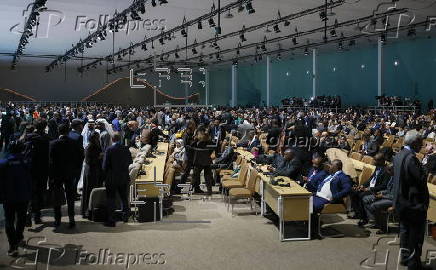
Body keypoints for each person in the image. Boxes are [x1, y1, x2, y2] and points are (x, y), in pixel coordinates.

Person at [393, 130, 429, 269]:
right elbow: (421, 179)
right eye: (420, 142)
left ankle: (405, 258)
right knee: (415, 236)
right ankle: (414, 264)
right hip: (413, 204)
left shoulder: (399, 155)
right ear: (414, 143)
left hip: (401, 202)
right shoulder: (411, 159)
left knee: (405, 232)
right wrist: (425, 164)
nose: (422, 144)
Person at [0, 140, 32, 257]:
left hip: (8, 197)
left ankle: (13, 245)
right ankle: (18, 237)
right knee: (21, 219)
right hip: (23, 196)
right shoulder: (26, 162)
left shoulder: (3, 163)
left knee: (9, 221)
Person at [49, 123, 78, 228]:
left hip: (57, 174)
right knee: (70, 197)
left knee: (57, 197)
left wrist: (51, 175)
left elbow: (50, 161)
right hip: (70, 173)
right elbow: (78, 158)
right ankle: (71, 218)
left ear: (58, 131)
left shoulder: (53, 144)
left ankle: (57, 219)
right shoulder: (73, 143)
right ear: (68, 131)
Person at [102, 132, 133, 227]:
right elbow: (130, 162)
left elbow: (104, 166)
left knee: (111, 198)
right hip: (123, 177)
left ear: (112, 139)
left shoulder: (109, 149)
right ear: (120, 139)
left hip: (112, 178)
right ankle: (125, 216)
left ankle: (111, 220)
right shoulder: (125, 149)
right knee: (123, 197)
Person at [350, 153, 390, 225]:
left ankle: (364, 218)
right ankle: (358, 213)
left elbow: (384, 186)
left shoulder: (387, 171)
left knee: (361, 195)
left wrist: (370, 189)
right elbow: (371, 179)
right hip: (369, 188)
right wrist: (362, 186)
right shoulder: (377, 167)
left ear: (381, 161)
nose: (373, 161)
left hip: (377, 191)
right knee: (353, 192)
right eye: (374, 159)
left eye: (376, 160)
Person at [25, 119, 50, 224]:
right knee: (40, 192)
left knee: (30, 192)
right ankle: (37, 216)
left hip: (29, 169)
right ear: (44, 127)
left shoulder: (27, 137)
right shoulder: (46, 139)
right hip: (43, 169)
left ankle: (27, 213)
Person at [362, 165, 395, 234]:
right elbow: (388, 190)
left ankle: (383, 228)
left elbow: (394, 195)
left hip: (393, 200)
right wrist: (380, 192)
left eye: (389, 170)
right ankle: (375, 220)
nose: (387, 172)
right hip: (386, 195)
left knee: (374, 205)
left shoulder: (398, 180)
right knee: (365, 199)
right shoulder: (392, 177)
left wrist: (382, 196)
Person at [81, 131, 103, 219]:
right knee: (89, 191)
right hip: (91, 171)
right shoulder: (89, 147)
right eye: (97, 138)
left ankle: (92, 210)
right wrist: (99, 157)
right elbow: (89, 161)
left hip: (95, 171)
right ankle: (87, 210)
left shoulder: (96, 146)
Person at [190, 127, 215, 195]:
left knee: (195, 177)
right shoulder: (209, 141)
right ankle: (209, 191)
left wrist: (194, 139)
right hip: (207, 161)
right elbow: (213, 147)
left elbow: (191, 147)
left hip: (198, 161)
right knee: (207, 176)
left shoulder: (197, 142)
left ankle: (190, 190)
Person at [69, 119, 85, 199]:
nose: (82, 127)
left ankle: (72, 193)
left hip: (70, 160)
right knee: (76, 178)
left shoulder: (69, 134)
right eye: (81, 125)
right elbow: (80, 150)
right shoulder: (79, 137)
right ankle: (73, 194)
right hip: (77, 161)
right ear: (78, 126)